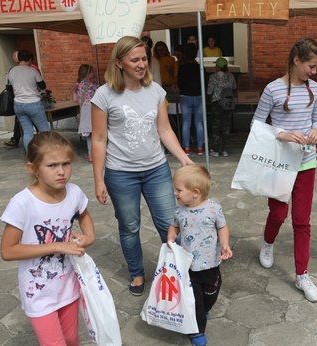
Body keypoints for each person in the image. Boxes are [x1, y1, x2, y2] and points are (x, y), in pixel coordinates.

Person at [91, 36, 194, 296]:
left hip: (156, 169)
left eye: (144, 59)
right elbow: (99, 138)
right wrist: (99, 179)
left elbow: (164, 130)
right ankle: (137, 273)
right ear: (119, 62)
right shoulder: (104, 95)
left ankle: (176, 270)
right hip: (120, 174)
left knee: (168, 223)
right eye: (134, 60)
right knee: (129, 226)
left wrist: (183, 157)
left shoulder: (156, 91)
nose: (141, 64)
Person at [0, 131, 95, 346]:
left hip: (68, 287)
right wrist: (57, 246)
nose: (61, 172)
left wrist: (89, 237)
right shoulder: (22, 203)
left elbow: (84, 214)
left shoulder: (74, 193)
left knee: (71, 339)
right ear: (33, 169)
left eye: (66, 163)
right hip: (38, 293)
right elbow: (8, 251)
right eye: (51, 166)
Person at [254, 37, 317, 303]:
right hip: (280, 163)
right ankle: (267, 243)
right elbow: (256, 125)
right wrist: (281, 134)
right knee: (278, 213)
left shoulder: (314, 90)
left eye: (316, 68)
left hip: (307, 161)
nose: (314, 72)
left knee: (302, 220)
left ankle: (302, 275)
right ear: (297, 60)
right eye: (311, 66)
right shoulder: (272, 89)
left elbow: (315, 119)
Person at [167, 164, 232, 346]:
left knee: (210, 293)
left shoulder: (213, 209)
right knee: (195, 300)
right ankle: (197, 331)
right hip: (188, 266)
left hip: (211, 263)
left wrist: (225, 244)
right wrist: (171, 234)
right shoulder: (179, 211)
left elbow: (222, 226)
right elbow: (174, 225)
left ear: (195, 192)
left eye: (179, 190)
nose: (175, 193)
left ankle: (204, 309)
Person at [8, 49, 50, 152]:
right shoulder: (33, 70)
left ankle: (29, 156)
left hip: (18, 104)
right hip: (33, 102)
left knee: (27, 132)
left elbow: (9, 88)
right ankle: (48, 153)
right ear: (30, 60)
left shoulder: (11, 71)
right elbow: (42, 86)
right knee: (44, 131)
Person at [177, 43, 204, 155]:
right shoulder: (200, 67)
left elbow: (179, 83)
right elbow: (204, 82)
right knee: (199, 123)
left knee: (186, 123)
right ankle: (200, 148)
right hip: (198, 95)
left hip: (185, 96)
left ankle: (187, 148)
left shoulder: (182, 67)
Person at [207, 57, 237, 157]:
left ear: (218, 67)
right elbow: (234, 87)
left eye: (216, 65)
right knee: (226, 127)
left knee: (216, 127)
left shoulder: (212, 77)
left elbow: (209, 91)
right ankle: (225, 150)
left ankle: (216, 150)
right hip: (227, 104)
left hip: (216, 103)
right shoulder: (231, 76)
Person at [72, 64, 99, 162]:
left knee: (88, 134)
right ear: (89, 74)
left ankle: (90, 155)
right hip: (94, 110)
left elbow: (75, 100)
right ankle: (100, 153)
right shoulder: (94, 86)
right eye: (92, 72)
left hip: (84, 110)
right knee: (97, 132)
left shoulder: (77, 86)